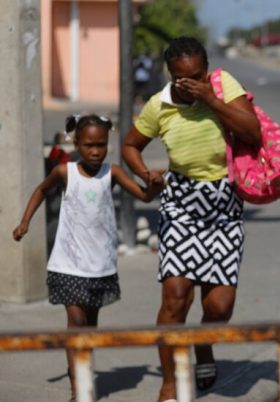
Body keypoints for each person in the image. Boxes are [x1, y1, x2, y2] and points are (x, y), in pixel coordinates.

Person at [121, 36, 261, 402]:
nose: (192, 83)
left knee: (218, 307)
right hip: (181, 205)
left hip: (223, 205)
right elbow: (130, 144)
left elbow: (252, 133)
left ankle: (203, 347)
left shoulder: (223, 86)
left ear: (207, 69)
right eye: (184, 79)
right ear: (170, 75)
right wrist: (145, 174)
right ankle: (169, 381)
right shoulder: (159, 105)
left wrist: (211, 98)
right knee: (175, 299)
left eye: (198, 75)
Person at [12, 114, 163, 401]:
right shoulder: (64, 172)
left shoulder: (113, 173)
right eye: (89, 145)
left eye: (102, 145)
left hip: (100, 266)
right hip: (68, 263)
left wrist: (154, 182)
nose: (96, 151)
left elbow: (144, 197)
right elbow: (41, 190)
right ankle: (78, 388)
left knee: (89, 329)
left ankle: (83, 371)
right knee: (76, 321)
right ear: (77, 143)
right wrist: (25, 222)